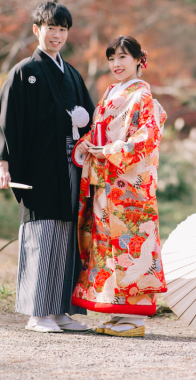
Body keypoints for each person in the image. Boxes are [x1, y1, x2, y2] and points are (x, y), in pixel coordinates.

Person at [0, 1, 94, 333]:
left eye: (62, 29)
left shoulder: (71, 73)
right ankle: (37, 312)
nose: (57, 35)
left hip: (72, 165)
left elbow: (90, 121)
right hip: (38, 166)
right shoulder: (24, 71)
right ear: (36, 30)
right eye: (51, 28)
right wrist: (4, 165)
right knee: (41, 233)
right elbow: (8, 122)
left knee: (68, 234)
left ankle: (60, 311)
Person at [70, 35, 167, 337]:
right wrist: (86, 146)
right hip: (105, 183)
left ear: (139, 60)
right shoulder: (110, 93)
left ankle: (135, 318)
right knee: (107, 247)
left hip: (129, 187)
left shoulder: (143, 97)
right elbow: (97, 131)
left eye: (123, 57)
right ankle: (117, 308)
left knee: (131, 245)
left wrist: (112, 151)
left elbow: (146, 139)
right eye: (112, 58)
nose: (116, 64)